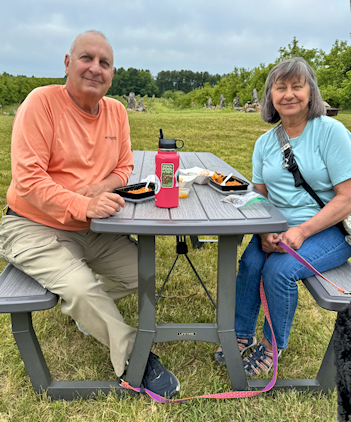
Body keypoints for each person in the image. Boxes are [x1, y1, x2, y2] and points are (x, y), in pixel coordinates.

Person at [0, 30, 180, 398]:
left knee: (142, 274)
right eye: (87, 58)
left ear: (113, 73)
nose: (95, 68)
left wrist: (97, 189)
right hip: (33, 225)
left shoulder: (115, 111)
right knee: (82, 289)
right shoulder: (41, 103)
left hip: (93, 226)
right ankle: (136, 358)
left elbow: (124, 165)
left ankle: (90, 313)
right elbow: (29, 179)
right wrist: (82, 202)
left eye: (104, 63)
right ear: (67, 63)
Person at [214, 57, 351, 376]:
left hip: (328, 230)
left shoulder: (331, 132)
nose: (289, 94)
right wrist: (263, 232)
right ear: (270, 97)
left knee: (278, 271)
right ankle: (240, 332)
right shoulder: (264, 143)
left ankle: (272, 346)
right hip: (277, 229)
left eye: (297, 86)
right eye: (280, 88)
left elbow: (347, 198)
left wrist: (301, 232)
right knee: (250, 263)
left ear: (311, 92)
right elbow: (259, 196)